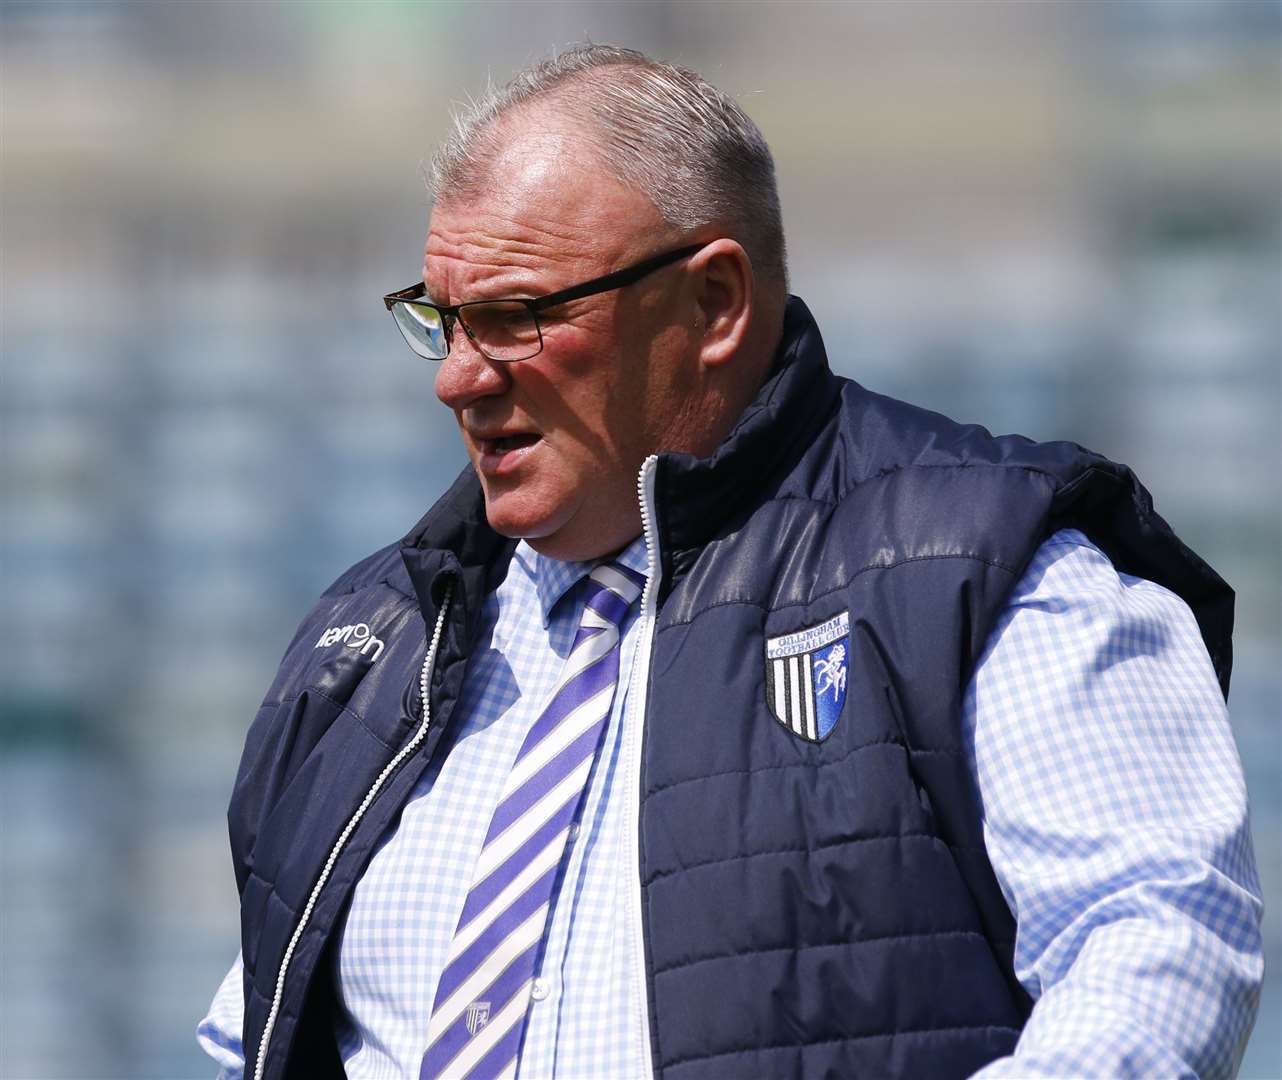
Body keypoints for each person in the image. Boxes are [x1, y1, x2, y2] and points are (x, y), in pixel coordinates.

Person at [199, 44, 1262, 1080]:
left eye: (516, 319)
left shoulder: (986, 574)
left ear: (712, 303)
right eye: (445, 322)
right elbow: (252, 1031)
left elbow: (1157, 958)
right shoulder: (368, 650)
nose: (458, 380)